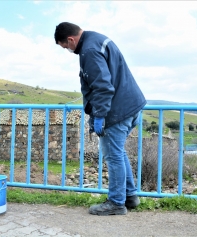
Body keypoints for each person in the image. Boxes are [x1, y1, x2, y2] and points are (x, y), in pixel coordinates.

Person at [54, 22, 146, 216]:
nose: (67, 50)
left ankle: (116, 203)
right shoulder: (97, 39)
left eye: (65, 46)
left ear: (71, 39)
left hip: (117, 110)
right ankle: (129, 196)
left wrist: (100, 116)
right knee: (118, 153)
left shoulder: (89, 50)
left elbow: (103, 87)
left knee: (113, 156)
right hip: (131, 105)